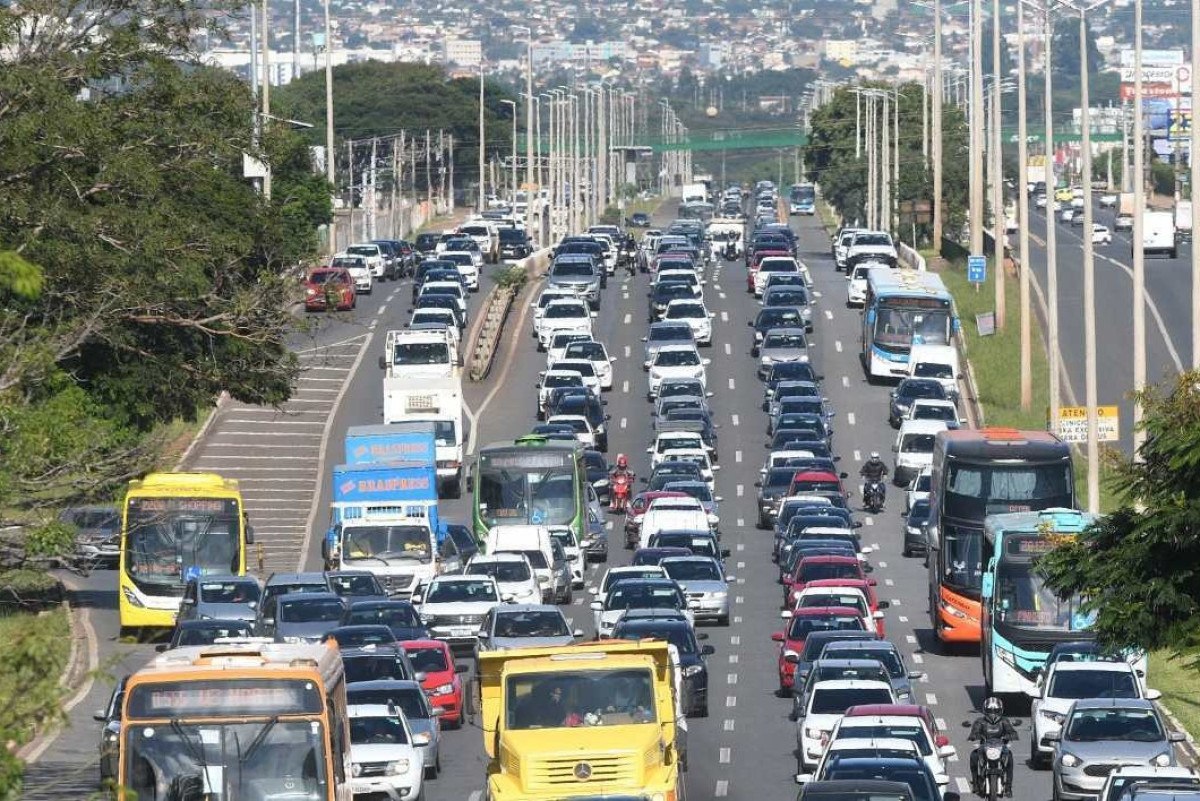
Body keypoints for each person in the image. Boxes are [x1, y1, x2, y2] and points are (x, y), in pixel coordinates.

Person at [968, 696, 1018, 797]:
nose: (993, 714)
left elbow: (1013, 733)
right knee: (973, 756)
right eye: (990, 711)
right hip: (984, 746)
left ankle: (1008, 787)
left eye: (996, 711)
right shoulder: (980, 721)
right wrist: (974, 735)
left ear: (1001, 710)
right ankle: (976, 784)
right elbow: (974, 732)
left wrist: (1009, 736)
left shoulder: (1005, 721)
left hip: (1001, 746)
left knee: (1010, 757)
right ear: (985, 711)